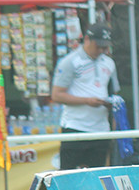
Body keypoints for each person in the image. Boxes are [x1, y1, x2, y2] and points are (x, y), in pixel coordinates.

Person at [51, 21, 121, 170]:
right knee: (69, 176)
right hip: (75, 126)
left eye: (105, 46)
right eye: (98, 46)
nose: (102, 50)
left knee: (98, 175)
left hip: (101, 129)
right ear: (87, 40)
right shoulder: (70, 62)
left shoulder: (109, 63)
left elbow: (113, 92)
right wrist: (86, 101)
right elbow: (57, 95)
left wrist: (112, 108)